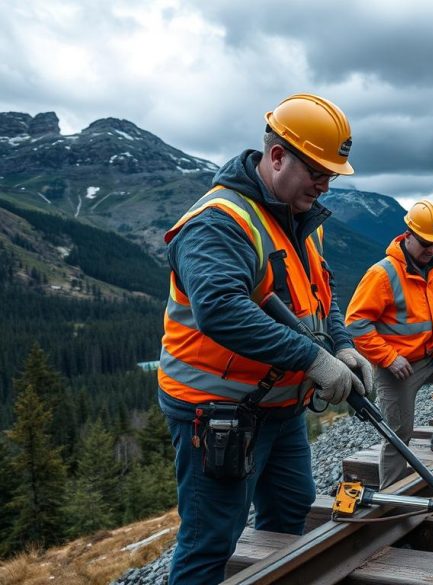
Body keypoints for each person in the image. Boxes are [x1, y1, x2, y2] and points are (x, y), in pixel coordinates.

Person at [157, 93, 375, 585]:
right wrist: (314, 361)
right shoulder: (218, 222)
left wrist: (340, 344)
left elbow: (322, 297)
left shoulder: (298, 217)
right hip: (217, 411)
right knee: (211, 540)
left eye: (330, 175)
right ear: (277, 157)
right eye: (316, 171)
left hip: (279, 406)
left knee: (291, 511)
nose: (324, 185)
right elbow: (220, 311)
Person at [346, 199, 433, 488]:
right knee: (398, 435)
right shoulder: (382, 274)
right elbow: (356, 323)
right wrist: (387, 358)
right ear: (408, 234)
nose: (432, 250)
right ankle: (392, 497)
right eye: (426, 243)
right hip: (398, 366)